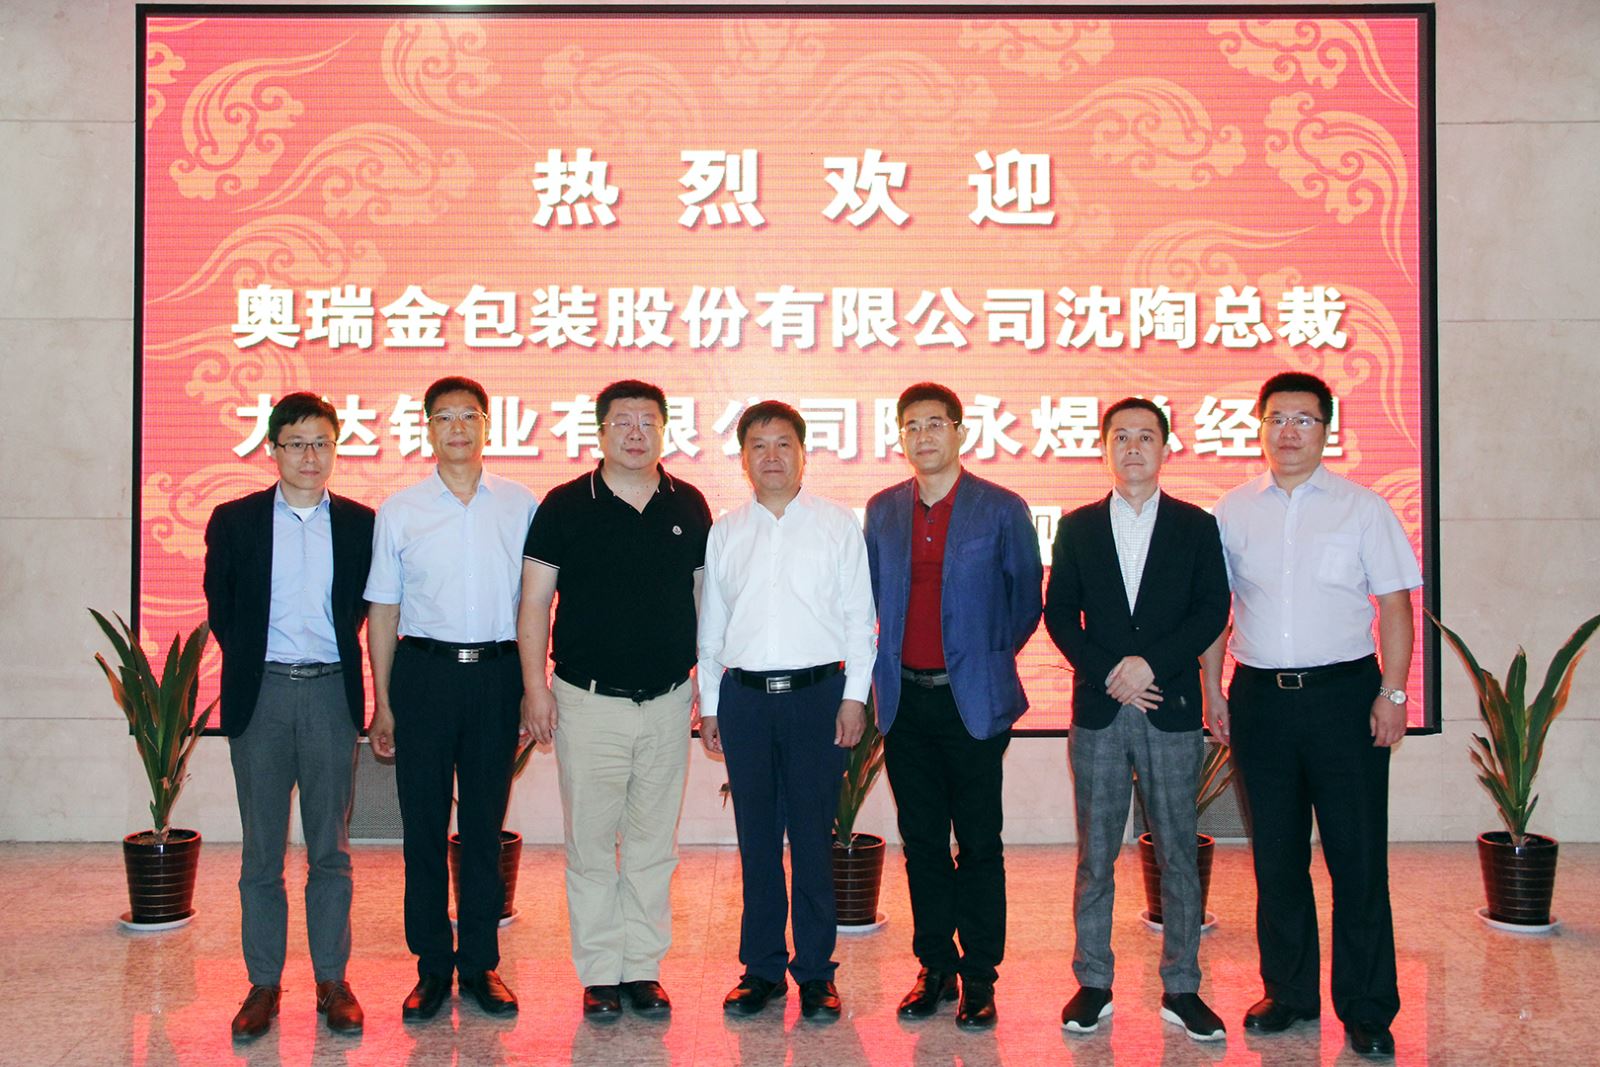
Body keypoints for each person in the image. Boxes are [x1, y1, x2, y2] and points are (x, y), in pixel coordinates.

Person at [1200, 372, 1421, 1059]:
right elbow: (1216, 611)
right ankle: (1289, 993)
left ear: (1328, 429)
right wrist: (1213, 690)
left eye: (1303, 419)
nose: (1288, 431)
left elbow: (1395, 606)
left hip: (1345, 698)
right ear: (1259, 427)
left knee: (1358, 858)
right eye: (1276, 418)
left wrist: (1393, 693)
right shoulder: (1232, 511)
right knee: (1277, 857)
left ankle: (1367, 1006)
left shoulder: (1363, 508)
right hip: (1260, 699)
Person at [517, 380, 712, 1021]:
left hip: (667, 700)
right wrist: (535, 688)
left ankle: (643, 970)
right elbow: (534, 602)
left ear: (664, 430)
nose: (635, 433)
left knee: (654, 844)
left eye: (647, 421)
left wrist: (706, 686)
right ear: (600, 431)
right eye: (622, 421)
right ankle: (601, 972)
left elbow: (704, 603)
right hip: (586, 701)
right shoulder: (566, 504)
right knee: (592, 844)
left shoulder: (690, 504)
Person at [1044, 397, 1231, 1042]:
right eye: (1120, 436)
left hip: (1169, 709)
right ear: (1104, 448)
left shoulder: (1196, 525)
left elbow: (1212, 609)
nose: (1132, 447)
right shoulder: (1077, 527)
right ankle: (1093, 982)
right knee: (1095, 857)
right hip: (1100, 711)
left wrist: (1150, 665)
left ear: (1165, 448)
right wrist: (1111, 673)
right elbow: (1059, 614)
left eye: (1145, 436)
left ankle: (1182, 988)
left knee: (1177, 854)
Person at [863, 382, 1042, 1030]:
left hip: (974, 704)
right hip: (905, 703)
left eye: (935, 423)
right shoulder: (883, 510)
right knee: (922, 843)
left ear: (961, 432)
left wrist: (982, 659)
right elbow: (870, 596)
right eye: (912, 426)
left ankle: (980, 976)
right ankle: (935, 966)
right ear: (901, 436)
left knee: (980, 843)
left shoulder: (1002, 507)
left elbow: (1025, 600)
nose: (923, 436)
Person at [365, 376, 538, 1022]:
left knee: (484, 830)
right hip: (424, 675)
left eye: (469, 415)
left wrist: (532, 686)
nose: (458, 427)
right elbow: (383, 612)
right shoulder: (400, 511)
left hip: (496, 675)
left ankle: (481, 964)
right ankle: (433, 966)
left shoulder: (520, 505)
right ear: (428, 429)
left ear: (488, 426)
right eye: (444, 417)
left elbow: (535, 606)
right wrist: (383, 702)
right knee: (423, 828)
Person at [697, 400, 877, 1021]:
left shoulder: (836, 525)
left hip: (818, 700)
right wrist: (711, 704)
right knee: (756, 842)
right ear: (743, 458)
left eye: (782, 445)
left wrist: (854, 697)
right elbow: (712, 627)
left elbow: (859, 621)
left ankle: (817, 973)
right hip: (745, 701)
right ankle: (762, 970)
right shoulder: (726, 531)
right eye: (758, 446)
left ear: (804, 454)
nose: (770, 456)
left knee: (811, 841)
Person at [204, 391, 374, 1041]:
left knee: (331, 848)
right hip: (264, 695)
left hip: (330, 695)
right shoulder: (235, 520)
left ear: (335, 449)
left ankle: (332, 980)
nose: (310, 455)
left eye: (321, 443)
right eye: (297, 443)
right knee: (261, 852)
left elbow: (364, 609)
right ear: (272, 449)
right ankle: (263, 984)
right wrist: (264, 666)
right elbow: (223, 609)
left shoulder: (361, 524)